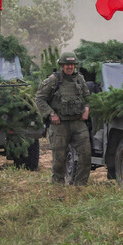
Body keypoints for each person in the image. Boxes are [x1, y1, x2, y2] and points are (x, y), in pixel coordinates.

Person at [35, 51, 91, 185]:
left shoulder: (80, 79)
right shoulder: (54, 80)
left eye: (72, 64)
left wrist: (87, 109)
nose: (70, 67)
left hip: (78, 123)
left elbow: (88, 97)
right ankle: (58, 186)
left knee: (86, 155)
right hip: (59, 124)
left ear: (75, 65)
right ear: (62, 65)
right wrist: (51, 114)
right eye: (67, 64)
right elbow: (39, 99)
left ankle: (80, 185)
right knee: (59, 158)